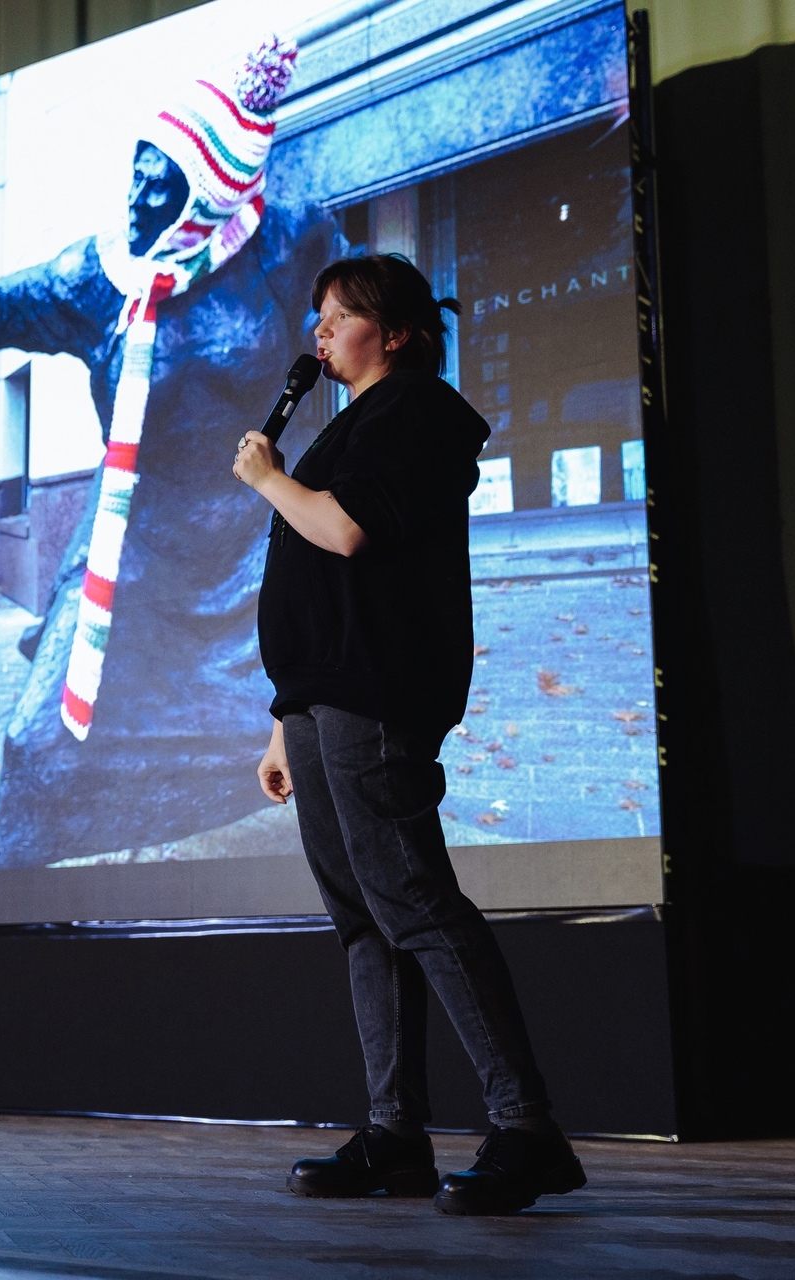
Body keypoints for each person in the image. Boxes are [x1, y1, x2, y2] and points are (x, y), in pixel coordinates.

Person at [0, 37, 336, 868]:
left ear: (207, 194)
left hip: (254, 541)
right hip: (133, 543)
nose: (136, 197)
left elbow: (348, 326)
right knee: (37, 745)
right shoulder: (99, 282)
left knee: (290, 734)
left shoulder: (282, 243)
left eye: (159, 185)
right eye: (135, 172)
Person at [233, 253, 586, 1215]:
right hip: (319, 698)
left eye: (339, 315)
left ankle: (527, 1129)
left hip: (375, 692)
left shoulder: (418, 412)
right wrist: (285, 718)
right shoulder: (352, 424)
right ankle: (395, 1137)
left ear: (393, 332)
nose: (320, 332)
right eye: (317, 317)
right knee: (363, 917)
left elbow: (347, 532)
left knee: (414, 901)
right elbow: (319, 582)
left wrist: (269, 480)